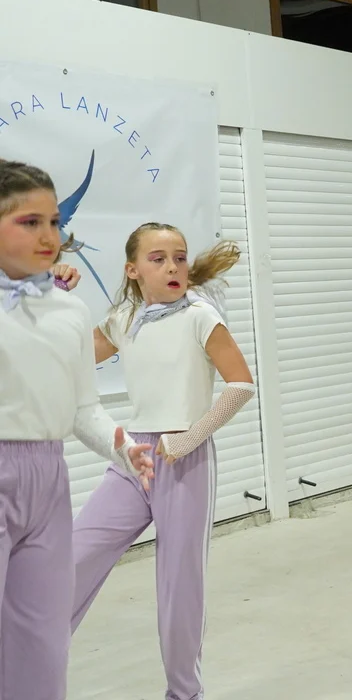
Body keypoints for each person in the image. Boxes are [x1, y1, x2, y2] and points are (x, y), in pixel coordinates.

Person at [68, 224, 253, 700]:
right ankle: (26, 666)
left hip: (186, 460)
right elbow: (69, 355)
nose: (172, 266)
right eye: (158, 259)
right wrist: (50, 298)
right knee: (73, 558)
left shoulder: (200, 316)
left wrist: (188, 440)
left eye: (180, 257)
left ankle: (184, 693)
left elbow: (240, 385)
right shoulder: (125, 317)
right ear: (132, 270)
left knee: (179, 588)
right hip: (135, 458)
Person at [0, 158, 154, 697]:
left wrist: (123, 448)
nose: (50, 237)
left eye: (54, 222)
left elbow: (83, 408)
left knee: (43, 642)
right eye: (29, 222)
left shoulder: (69, 310)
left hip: (48, 479)